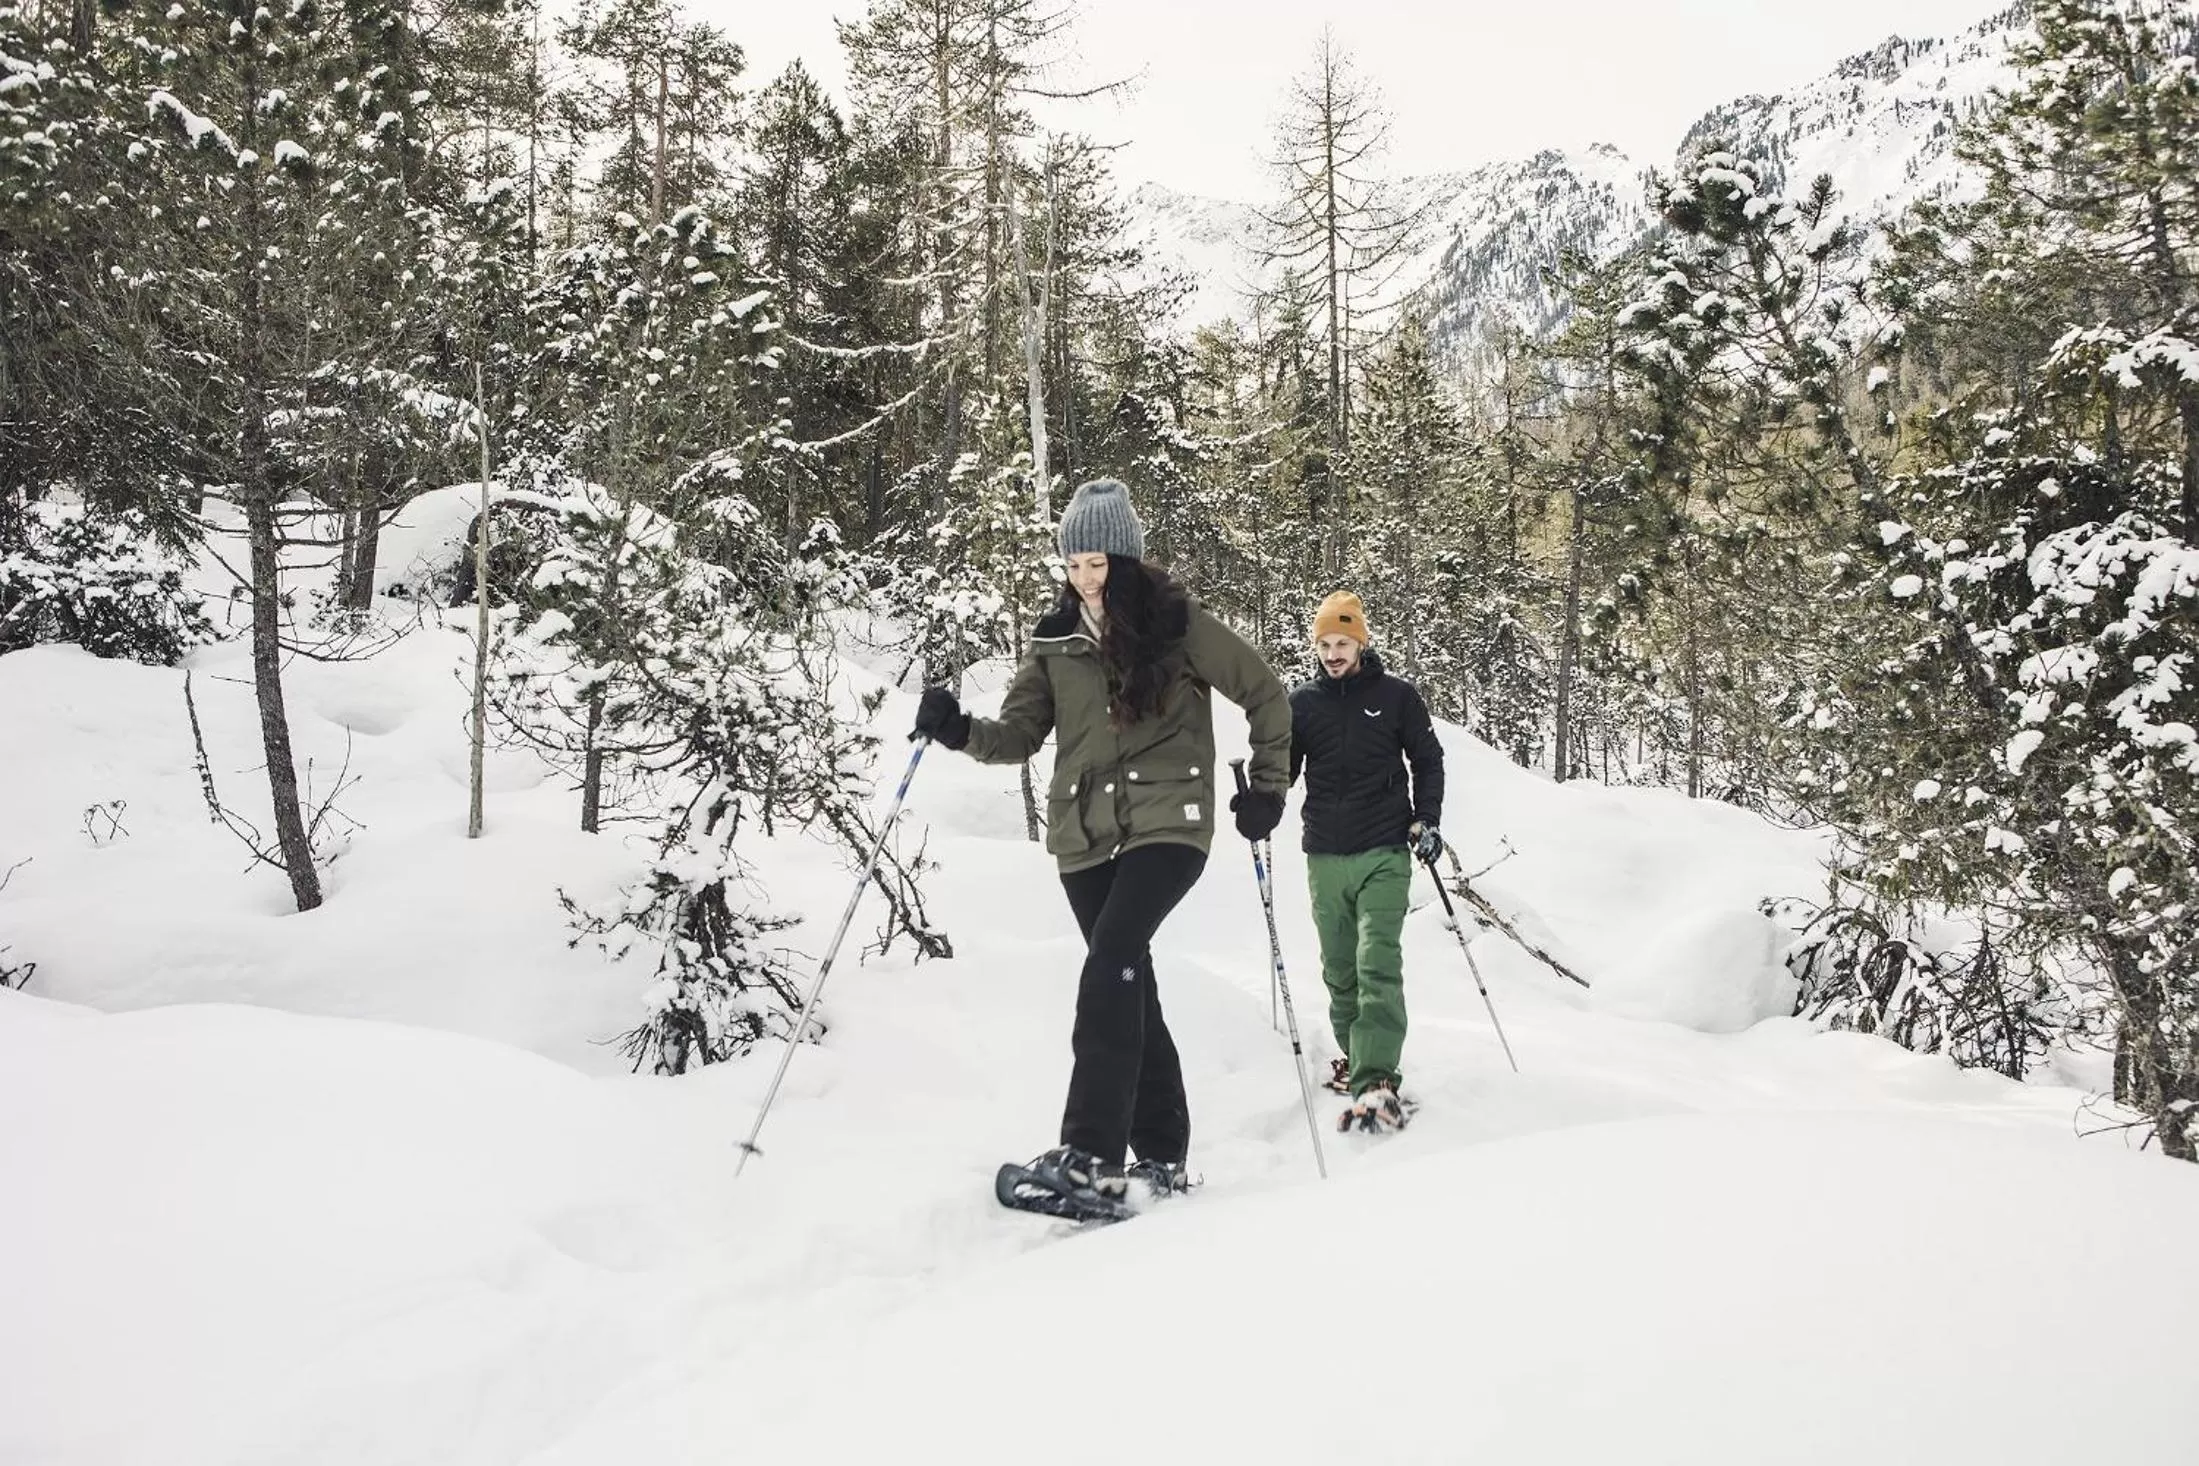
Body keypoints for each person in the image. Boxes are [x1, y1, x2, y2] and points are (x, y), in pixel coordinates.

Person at [912, 478, 1292, 1205]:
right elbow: (1019, 735)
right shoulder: (1053, 642)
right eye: (1073, 563)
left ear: (1125, 560)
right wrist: (958, 729)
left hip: (1166, 823)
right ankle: (1161, 1156)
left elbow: (1264, 691)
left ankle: (1091, 1156)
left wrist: (1268, 789)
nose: (1085, 578)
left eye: (1098, 563)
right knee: (1128, 982)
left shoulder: (1177, 626)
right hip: (1083, 835)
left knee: (1112, 960)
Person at [1287, 591, 1445, 1131]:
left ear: (1361, 642)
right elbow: (1281, 772)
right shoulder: (1302, 704)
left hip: (1384, 848)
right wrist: (1256, 797)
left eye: (1343, 643)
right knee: (1339, 968)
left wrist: (1427, 819)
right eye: (1325, 643)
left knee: (1377, 958)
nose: (1333, 653)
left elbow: (1428, 760)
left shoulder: (1397, 697)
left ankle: (1376, 1079)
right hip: (1325, 853)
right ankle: (1355, 1057)